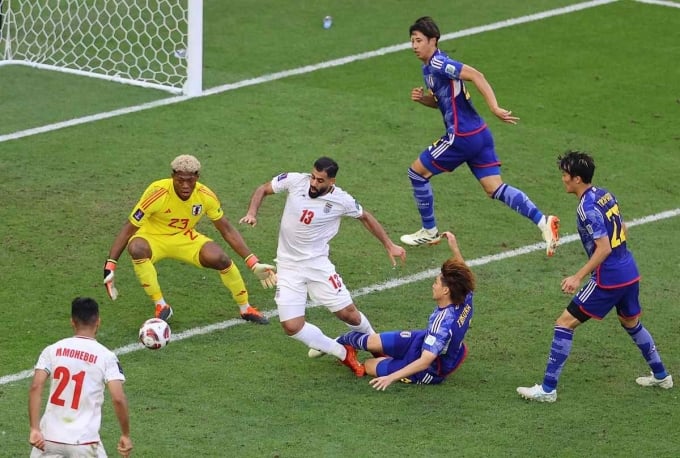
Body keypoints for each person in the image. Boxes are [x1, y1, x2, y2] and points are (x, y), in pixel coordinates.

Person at [517, 151, 673, 402]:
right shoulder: (605, 194)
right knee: (631, 324)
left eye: (565, 175)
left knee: (564, 323)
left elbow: (604, 248)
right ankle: (662, 375)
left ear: (577, 179)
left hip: (608, 279)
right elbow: (622, 229)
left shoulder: (586, 208)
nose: (563, 179)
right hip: (629, 272)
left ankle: (547, 390)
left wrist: (578, 276)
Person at [400, 16, 560, 256]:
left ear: (433, 41)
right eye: (412, 41)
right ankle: (543, 222)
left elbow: (477, 75)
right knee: (494, 188)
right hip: (479, 134)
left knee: (416, 173)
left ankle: (429, 230)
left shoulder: (440, 63)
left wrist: (495, 107)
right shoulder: (428, 69)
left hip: (461, 136)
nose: (414, 45)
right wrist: (423, 99)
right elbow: (442, 101)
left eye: (419, 40)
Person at [239, 157, 406, 376]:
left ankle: (378, 348)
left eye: (320, 180)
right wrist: (252, 213)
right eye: (313, 177)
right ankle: (343, 352)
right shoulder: (295, 180)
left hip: (317, 266)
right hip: (288, 267)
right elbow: (263, 189)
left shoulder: (341, 200)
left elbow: (365, 217)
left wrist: (389, 244)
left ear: (332, 181)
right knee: (291, 326)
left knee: (349, 315)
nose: (314, 184)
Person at [104, 154, 276, 324]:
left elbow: (227, 229)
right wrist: (111, 264)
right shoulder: (157, 193)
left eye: (190, 181)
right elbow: (129, 227)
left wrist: (253, 263)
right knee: (136, 248)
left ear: (197, 178)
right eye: (180, 180)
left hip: (184, 237)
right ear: (172, 177)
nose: (185, 185)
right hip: (152, 237)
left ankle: (245, 308)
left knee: (220, 259)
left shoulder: (205, 196)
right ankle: (161, 306)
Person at [336, 232, 474, 389]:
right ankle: (339, 343)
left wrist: (390, 377)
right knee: (372, 341)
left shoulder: (442, 324)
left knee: (369, 365)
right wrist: (454, 248)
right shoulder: (464, 297)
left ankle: (336, 347)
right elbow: (465, 277)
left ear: (445, 291)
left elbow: (425, 361)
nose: (433, 285)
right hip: (422, 341)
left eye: (436, 283)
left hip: (429, 369)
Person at [28, 297, 133, 457]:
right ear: (98, 321)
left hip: (47, 439)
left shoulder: (52, 349)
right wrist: (125, 434)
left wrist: (35, 429)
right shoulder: (106, 357)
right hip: (84, 443)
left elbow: (36, 386)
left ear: (72, 321)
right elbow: (118, 397)